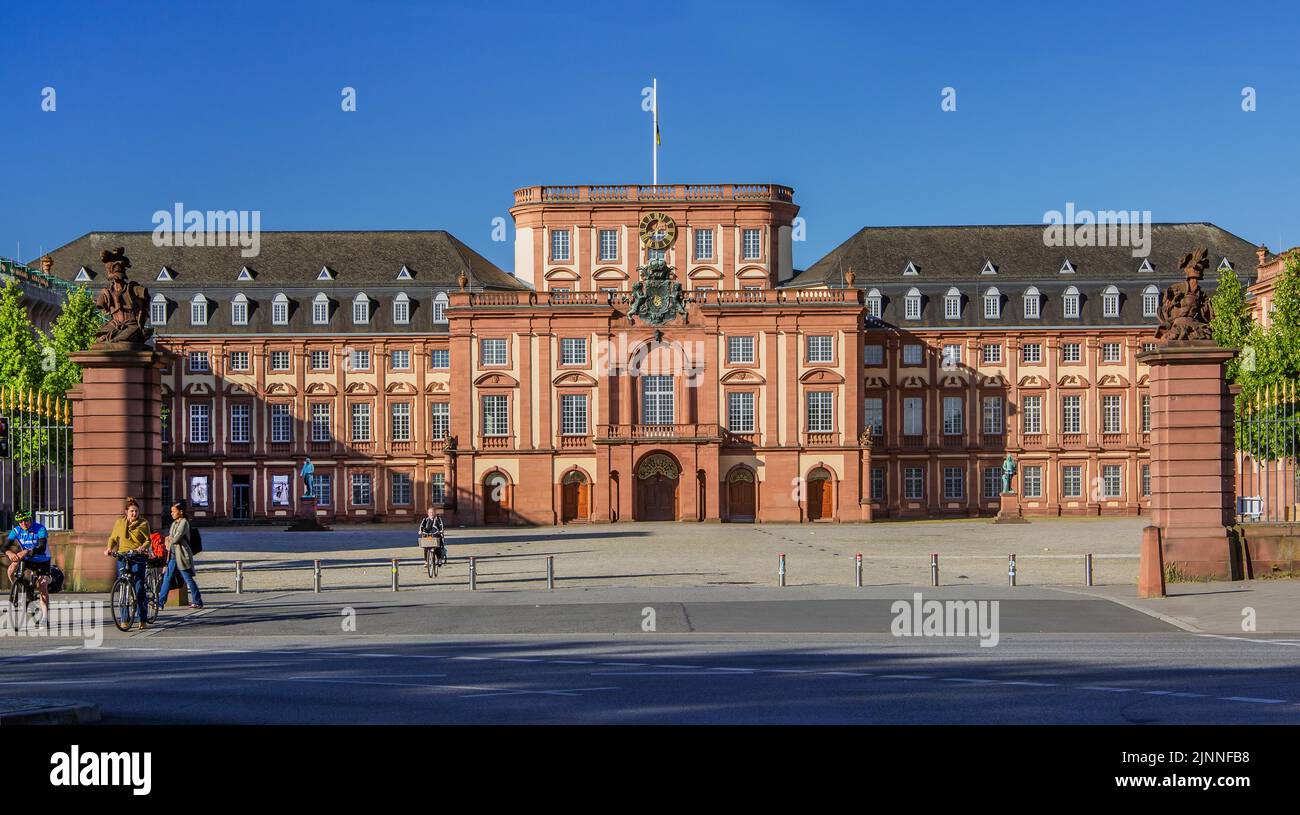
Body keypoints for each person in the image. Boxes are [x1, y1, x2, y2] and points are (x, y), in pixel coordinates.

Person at [103, 497, 153, 631]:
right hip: (122, 556)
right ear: (126, 511)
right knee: (123, 587)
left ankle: (142, 618)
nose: (134, 514)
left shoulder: (143, 523)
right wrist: (109, 549)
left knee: (138, 587)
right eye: (131, 511)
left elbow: (148, 540)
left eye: (136, 511)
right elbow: (113, 538)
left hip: (137, 556)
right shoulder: (119, 523)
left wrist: (143, 547)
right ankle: (124, 619)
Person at [5, 510, 52, 623]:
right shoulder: (16, 531)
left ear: (30, 519)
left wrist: (26, 551)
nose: (23, 523)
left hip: (42, 559)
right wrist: (9, 553)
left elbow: (41, 547)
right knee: (11, 570)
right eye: (20, 521)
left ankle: (44, 617)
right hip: (27, 559)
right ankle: (18, 588)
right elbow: (4, 546)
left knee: (42, 585)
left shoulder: (40, 529)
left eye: (26, 520)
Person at [157, 501, 204, 610]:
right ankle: (160, 603)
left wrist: (169, 539)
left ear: (181, 512)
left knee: (188, 579)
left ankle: (198, 601)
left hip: (182, 556)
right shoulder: (174, 524)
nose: (171, 513)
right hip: (172, 555)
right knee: (167, 579)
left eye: (174, 511)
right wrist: (169, 539)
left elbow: (175, 538)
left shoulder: (184, 523)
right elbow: (170, 538)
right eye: (171, 511)